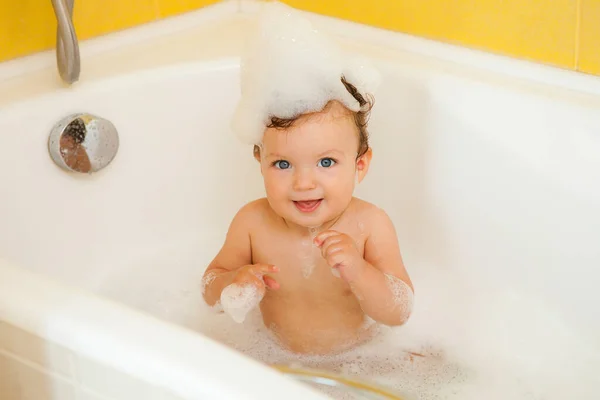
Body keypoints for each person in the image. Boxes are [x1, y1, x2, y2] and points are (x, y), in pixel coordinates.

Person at [201, 2, 414, 356]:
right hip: (273, 357)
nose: (303, 183)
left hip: (357, 359)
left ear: (360, 166)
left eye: (326, 162)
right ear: (260, 160)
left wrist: (359, 272)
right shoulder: (252, 222)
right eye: (283, 165)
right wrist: (232, 283)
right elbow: (210, 287)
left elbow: (399, 311)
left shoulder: (370, 225)